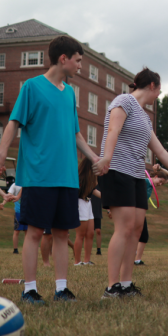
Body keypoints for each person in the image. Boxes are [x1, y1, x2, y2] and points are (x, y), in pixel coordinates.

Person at [0, 36, 98, 304]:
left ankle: (61, 289)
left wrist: (93, 157)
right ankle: (30, 289)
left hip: (66, 177)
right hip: (39, 174)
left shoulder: (69, 95)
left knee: (62, 233)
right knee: (33, 231)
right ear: (63, 59)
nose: (81, 66)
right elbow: (13, 123)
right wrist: (1, 152)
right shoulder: (31, 87)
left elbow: (76, 133)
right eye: (78, 61)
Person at [93, 67, 168, 299]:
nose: (158, 96)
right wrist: (106, 157)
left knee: (135, 230)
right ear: (152, 85)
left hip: (136, 175)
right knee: (123, 229)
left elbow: (160, 150)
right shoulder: (124, 100)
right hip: (116, 170)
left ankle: (126, 284)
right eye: (159, 91)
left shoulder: (144, 117)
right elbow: (113, 129)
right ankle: (111, 287)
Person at [134, 170, 168, 266]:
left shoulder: (150, 185)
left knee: (144, 236)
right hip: (134, 211)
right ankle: (129, 258)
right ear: (156, 176)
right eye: (160, 181)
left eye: (162, 184)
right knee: (132, 235)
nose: (160, 184)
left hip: (141, 211)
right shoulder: (143, 182)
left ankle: (137, 260)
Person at [73, 158, 100, 266]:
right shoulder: (79, 178)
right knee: (80, 234)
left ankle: (86, 260)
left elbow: (93, 191)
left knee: (90, 233)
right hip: (80, 204)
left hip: (88, 204)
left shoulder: (91, 179)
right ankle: (77, 261)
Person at [8, 184, 25, 254]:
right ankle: (15, 249)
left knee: (28, 231)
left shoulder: (28, 182)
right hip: (18, 212)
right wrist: (3, 202)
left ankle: (26, 249)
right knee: (16, 231)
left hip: (27, 211)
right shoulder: (15, 185)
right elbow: (9, 194)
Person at [91, 185, 103, 256]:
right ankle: (88, 249)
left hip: (97, 211)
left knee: (98, 230)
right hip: (89, 210)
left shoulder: (99, 185)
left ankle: (98, 250)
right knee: (90, 232)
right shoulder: (90, 185)